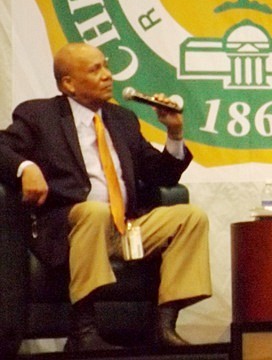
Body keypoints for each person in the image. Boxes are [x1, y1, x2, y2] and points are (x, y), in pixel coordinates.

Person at [0, 42, 212, 351]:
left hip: (124, 227)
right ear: (68, 84)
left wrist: (174, 134)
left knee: (190, 217)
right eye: (94, 69)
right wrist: (25, 166)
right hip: (71, 229)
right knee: (94, 212)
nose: (107, 76)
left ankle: (164, 326)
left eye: (106, 66)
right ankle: (83, 331)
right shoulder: (39, 115)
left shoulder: (122, 119)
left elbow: (159, 175)